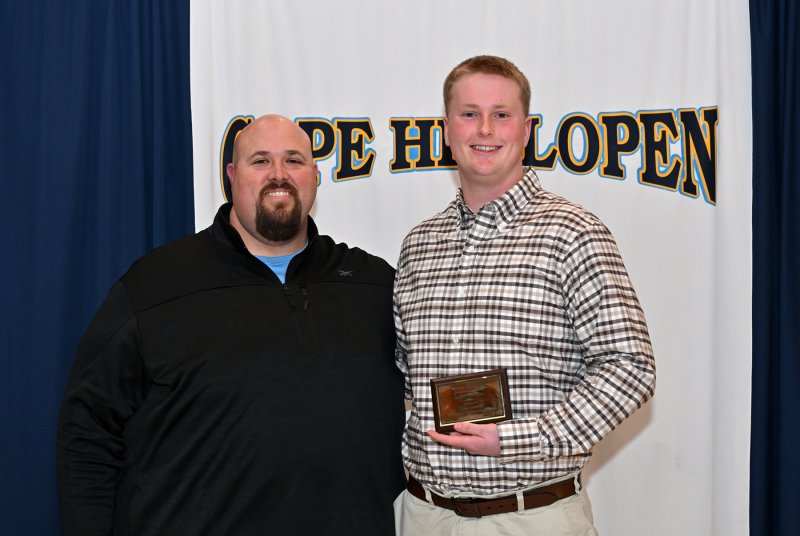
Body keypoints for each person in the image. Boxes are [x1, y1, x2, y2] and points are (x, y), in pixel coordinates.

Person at [57, 114, 406, 535]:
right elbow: (88, 430)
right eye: (260, 161)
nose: (279, 175)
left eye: (294, 160)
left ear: (315, 176)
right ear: (231, 175)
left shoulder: (373, 284)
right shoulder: (156, 286)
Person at [392, 55, 656, 535]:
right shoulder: (419, 245)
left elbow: (630, 367)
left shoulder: (573, 233)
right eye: (469, 114)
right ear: (447, 129)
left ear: (527, 128)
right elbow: (405, 375)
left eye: (502, 114)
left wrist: (518, 439)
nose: (485, 129)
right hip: (424, 515)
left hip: (531, 518)